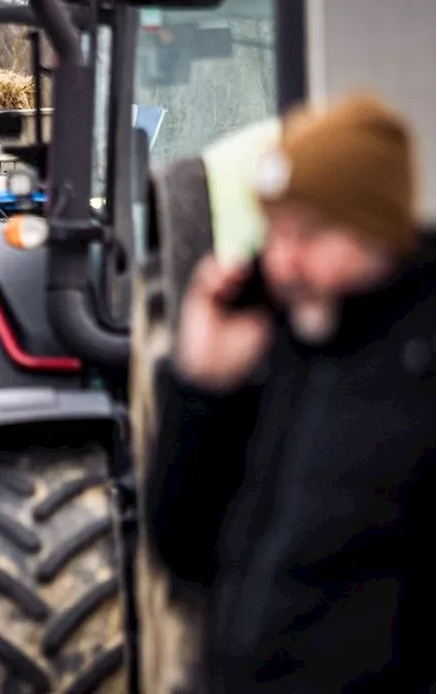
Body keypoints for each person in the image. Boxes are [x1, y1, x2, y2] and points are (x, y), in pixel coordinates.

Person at [147, 94, 437, 692]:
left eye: (307, 235)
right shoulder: (285, 353)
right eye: (274, 232)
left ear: (373, 226)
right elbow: (186, 551)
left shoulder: (419, 365)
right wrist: (202, 388)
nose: (282, 262)